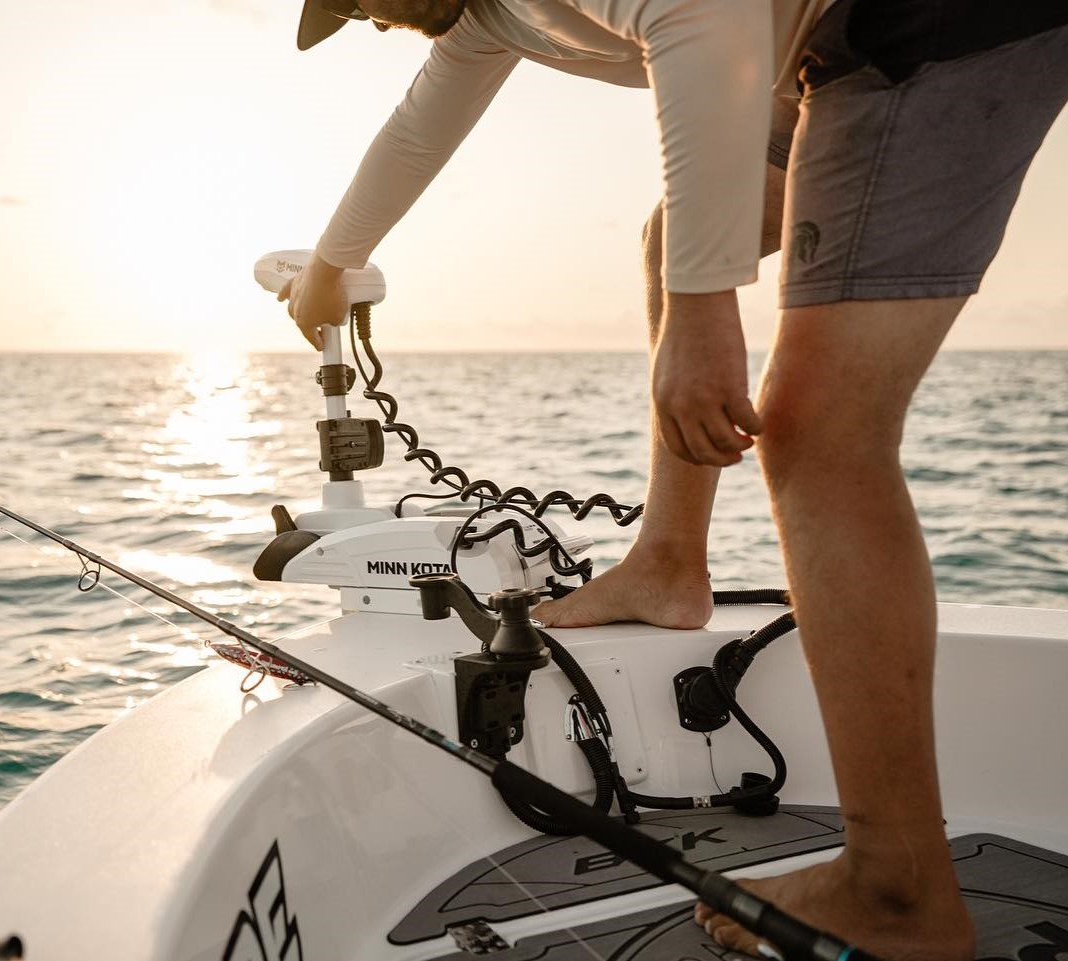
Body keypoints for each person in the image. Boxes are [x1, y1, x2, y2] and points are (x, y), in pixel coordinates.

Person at [277, 2, 1068, 958]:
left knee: (820, 437)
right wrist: (329, 265)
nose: (362, 17)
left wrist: (701, 309)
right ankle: (667, 562)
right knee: (671, 235)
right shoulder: (487, 19)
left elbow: (707, 16)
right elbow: (415, 128)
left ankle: (896, 885)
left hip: (912, 21)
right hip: (816, 40)